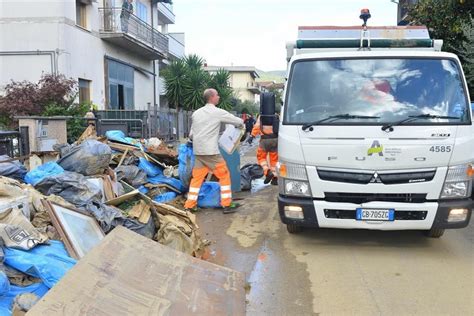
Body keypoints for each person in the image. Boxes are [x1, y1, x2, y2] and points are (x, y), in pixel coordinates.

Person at [184, 88, 244, 214]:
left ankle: (190, 205)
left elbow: (191, 135)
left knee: (197, 178)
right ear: (211, 97)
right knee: (224, 174)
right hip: (211, 152)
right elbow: (238, 121)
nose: (219, 97)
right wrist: (240, 126)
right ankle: (227, 204)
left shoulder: (196, 113)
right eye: (217, 95)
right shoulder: (217, 112)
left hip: (199, 151)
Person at [248, 113, 279, 185]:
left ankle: (267, 172)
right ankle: (275, 178)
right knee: (274, 160)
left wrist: (252, 136)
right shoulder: (276, 116)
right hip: (275, 140)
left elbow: (257, 126)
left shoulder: (262, 116)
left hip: (264, 140)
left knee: (261, 157)